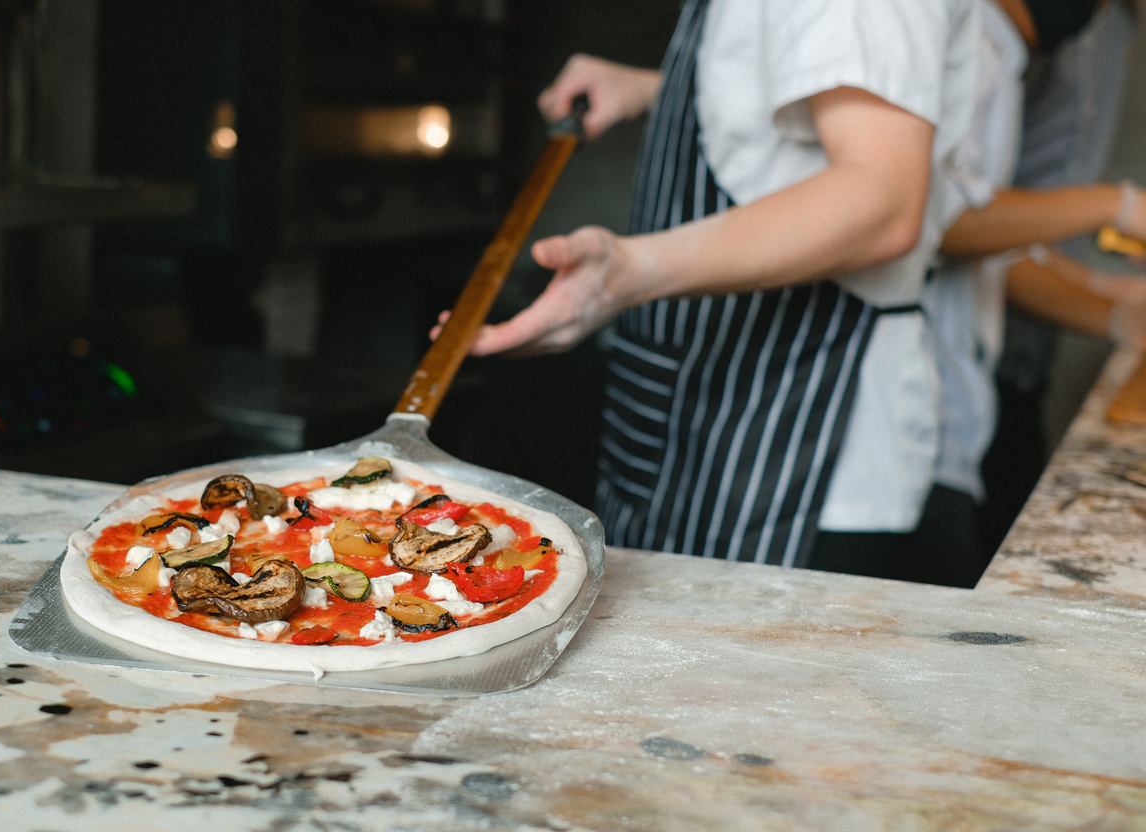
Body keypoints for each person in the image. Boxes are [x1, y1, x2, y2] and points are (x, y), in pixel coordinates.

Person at [437, 0, 980, 574]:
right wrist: (662, 89)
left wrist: (623, 274)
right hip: (697, 411)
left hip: (792, 439)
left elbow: (884, 200)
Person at [899, 0, 1142, 587]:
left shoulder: (1007, 53)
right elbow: (942, 218)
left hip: (958, 404)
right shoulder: (976, 42)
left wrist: (1115, 307)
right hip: (917, 427)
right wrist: (1119, 206)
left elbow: (999, 232)